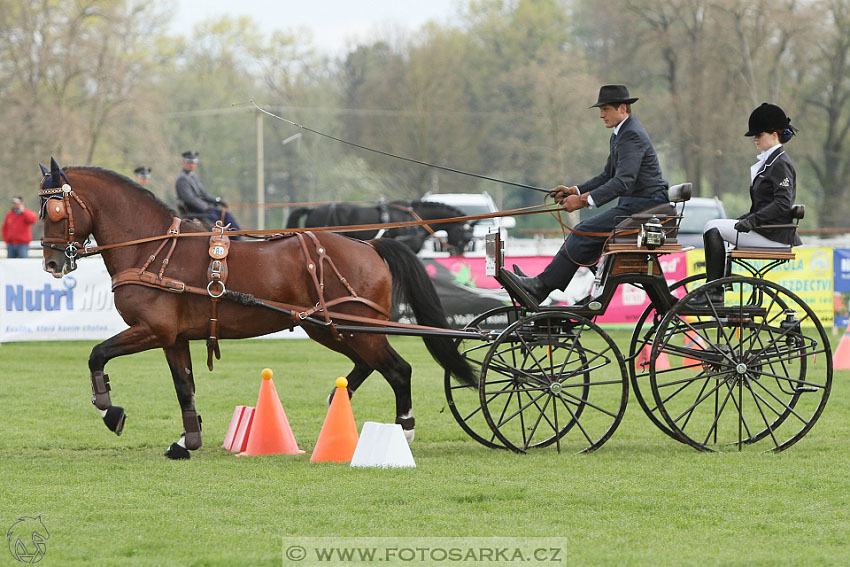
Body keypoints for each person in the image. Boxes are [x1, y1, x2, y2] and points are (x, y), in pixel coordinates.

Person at [503, 84, 669, 302]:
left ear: (622, 108)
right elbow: (608, 175)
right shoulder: (621, 133)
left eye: (605, 109)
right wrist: (574, 190)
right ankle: (556, 289)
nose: (601, 115)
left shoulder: (632, 135)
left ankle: (541, 287)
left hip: (645, 207)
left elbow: (622, 182)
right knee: (586, 235)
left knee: (583, 231)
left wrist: (582, 201)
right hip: (636, 204)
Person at [693, 102, 801, 305]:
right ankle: (715, 287)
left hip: (774, 235)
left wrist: (752, 221)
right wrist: (747, 218)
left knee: (713, 229)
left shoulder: (780, 164)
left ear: (774, 134)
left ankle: (715, 292)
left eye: (759, 134)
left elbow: (782, 204)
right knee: (713, 226)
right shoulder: (771, 162)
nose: (755, 139)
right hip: (767, 231)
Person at [175, 151, 242, 233]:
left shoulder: (193, 176)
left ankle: (236, 237)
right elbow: (189, 199)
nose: (192, 165)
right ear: (184, 163)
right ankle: (234, 238)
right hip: (195, 210)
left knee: (226, 215)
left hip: (203, 209)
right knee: (225, 217)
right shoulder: (182, 179)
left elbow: (203, 194)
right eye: (189, 163)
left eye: (194, 163)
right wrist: (205, 206)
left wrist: (217, 200)